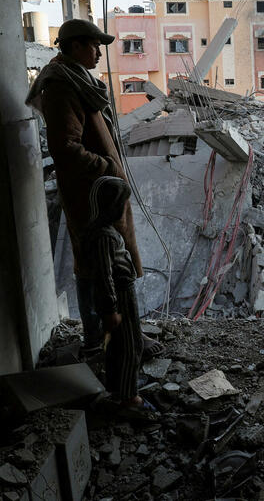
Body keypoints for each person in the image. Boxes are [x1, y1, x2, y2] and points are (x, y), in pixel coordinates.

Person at [25, 19, 163, 358]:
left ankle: (127, 335)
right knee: (97, 267)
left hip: (104, 192)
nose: (99, 53)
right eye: (93, 45)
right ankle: (102, 340)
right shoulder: (60, 88)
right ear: (73, 47)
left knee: (118, 265)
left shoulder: (80, 80)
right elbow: (66, 147)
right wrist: (108, 169)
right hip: (91, 196)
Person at [79, 176, 156, 413]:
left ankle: (122, 386)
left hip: (121, 295)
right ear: (112, 207)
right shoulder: (104, 237)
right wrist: (111, 309)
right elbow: (104, 276)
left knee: (120, 345)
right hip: (120, 297)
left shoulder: (104, 232)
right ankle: (128, 399)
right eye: (122, 205)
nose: (124, 210)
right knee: (129, 345)